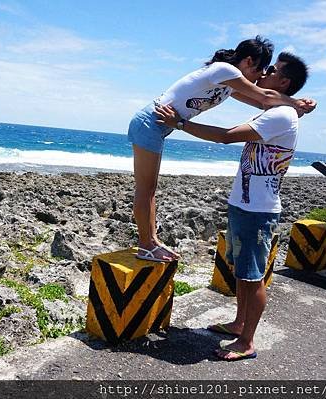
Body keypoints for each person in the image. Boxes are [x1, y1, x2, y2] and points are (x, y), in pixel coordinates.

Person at [154, 51, 310, 361]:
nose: (264, 73)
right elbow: (240, 92)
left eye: (272, 70)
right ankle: (239, 323)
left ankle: (247, 342)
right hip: (245, 204)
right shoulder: (276, 109)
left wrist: (180, 123)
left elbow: (226, 137)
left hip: (259, 210)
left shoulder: (281, 115)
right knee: (242, 272)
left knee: (253, 277)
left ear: (283, 81)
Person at [128, 36, 315, 263]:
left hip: (158, 127)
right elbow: (265, 96)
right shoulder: (224, 70)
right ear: (248, 61)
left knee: (150, 189)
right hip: (150, 122)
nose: (261, 76)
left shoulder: (228, 85)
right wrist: (295, 103)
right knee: (145, 189)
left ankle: (151, 241)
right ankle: (145, 245)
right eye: (262, 69)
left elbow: (262, 103)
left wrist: (298, 105)